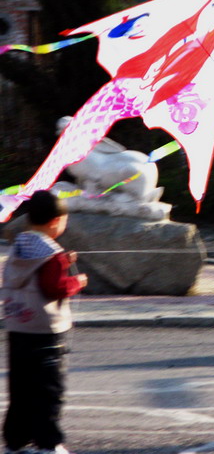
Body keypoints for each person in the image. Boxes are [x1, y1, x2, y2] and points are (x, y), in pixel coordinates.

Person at [2, 190, 87, 454]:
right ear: (55, 222)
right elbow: (54, 287)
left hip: (19, 327)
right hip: (44, 332)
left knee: (21, 389)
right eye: (63, 221)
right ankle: (48, 444)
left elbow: (34, 271)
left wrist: (63, 262)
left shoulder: (20, 245)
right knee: (49, 390)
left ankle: (16, 442)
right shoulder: (51, 253)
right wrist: (77, 282)